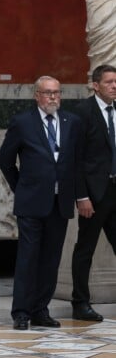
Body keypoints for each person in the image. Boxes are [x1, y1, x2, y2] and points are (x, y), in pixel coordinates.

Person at [0, 76, 84, 330]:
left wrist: (79, 195)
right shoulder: (23, 122)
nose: (53, 97)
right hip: (31, 203)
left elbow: (76, 162)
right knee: (28, 257)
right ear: (37, 95)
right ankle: (21, 312)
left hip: (61, 202)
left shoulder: (72, 122)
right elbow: (5, 160)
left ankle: (40, 310)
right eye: (47, 93)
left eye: (56, 93)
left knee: (51, 258)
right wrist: (21, 187)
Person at [70, 64, 116, 322]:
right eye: (109, 82)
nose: (114, 86)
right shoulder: (82, 113)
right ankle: (80, 303)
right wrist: (82, 196)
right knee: (85, 249)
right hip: (94, 196)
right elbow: (76, 160)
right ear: (95, 85)